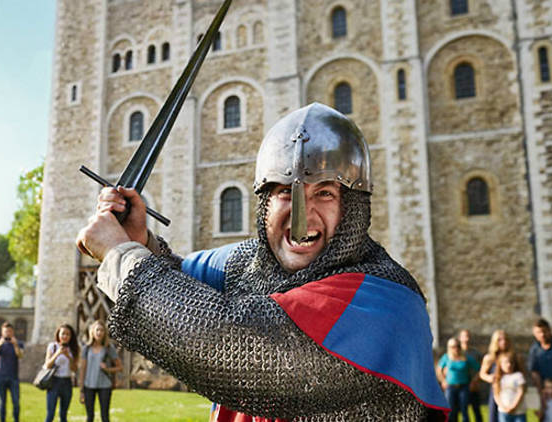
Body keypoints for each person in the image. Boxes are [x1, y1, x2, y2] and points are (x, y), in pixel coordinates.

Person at [76, 103, 449, 420]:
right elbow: (178, 284)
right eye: (286, 192)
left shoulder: (387, 300)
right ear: (264, 202)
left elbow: (228, 339)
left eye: (324, 193)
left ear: (352, 206)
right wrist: (140, 240)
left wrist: (120, 255)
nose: (303, 214)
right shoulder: (246, 263)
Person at [79, 320, 122, 422]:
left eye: (102, 330)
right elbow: (82, 370)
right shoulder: (86, 348)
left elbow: (120, 367)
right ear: (92, 332)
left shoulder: (108, 348)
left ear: (105, 333)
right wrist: (81, 390)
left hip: (105, 386)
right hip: (89, 385)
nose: (99, 332)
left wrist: (107, 369)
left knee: (105, 417)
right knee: (90, 417)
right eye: (97, 330)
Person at [480, 329, 521, 422]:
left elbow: (521, 373)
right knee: (494, 417)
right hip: (496, 391)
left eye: (505, 339)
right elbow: (482, 373)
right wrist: (489, 378)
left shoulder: (515, 357)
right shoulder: (489, 358)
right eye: (500, 340)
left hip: (511, 392)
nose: (503, 342)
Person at [437, 337, 480, 422]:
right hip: (450, 387)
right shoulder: (446, 357)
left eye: (457, 346)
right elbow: (439, 370)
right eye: (453, 347)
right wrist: (443, 381)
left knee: (464, 410)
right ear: (449, 348)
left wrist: (474, 381)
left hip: (464, 387)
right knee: (451, 410)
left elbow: (479, 369)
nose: (456, 348)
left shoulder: (466, 357)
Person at [0, 322, 24, 422]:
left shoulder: (18, 343)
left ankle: (16, 420)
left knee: (16, 402)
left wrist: (15, 345)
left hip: (14, 377)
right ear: (2, 332)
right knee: (2, 402)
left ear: (13, 332)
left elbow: (20, 356)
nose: (8, 333)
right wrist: (0, 343)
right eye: (6, 332)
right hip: (0, 377)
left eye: (10, 331)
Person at [44, 324, 79, 422]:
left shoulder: (74, 349)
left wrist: (68, 356)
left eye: (68, 334)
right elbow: (47, 365)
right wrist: (57, 353)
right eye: (63, 333)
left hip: (67, 382)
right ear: (58, 334)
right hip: (54, 381)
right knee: (50, 414)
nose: (65, 336)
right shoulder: (52, 346)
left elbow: (75, 369)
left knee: (63, 415)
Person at [493, 352, 526, 422]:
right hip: (504, 411)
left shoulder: (518, 376)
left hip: (518, 411)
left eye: (511, 363)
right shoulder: (498, 378)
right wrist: (503, 407)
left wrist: (513, 406)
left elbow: (521, 392)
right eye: (505, 363)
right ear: (500, 365)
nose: (509, 365)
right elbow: (496, 394)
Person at [458, 329, 483, 422]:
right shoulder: (455, 352)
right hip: (461, 385)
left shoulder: (476, 353)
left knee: (476, 410)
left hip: (473, 384)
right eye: (464, 336)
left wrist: (476, 380)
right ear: (460, 338)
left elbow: (482, 368)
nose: (467, 338)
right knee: (462, 410)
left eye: (468, 336)